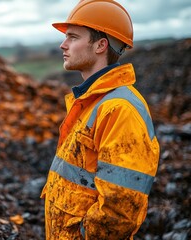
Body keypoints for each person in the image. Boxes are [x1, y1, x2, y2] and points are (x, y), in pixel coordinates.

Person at [40, 0, 160, 239]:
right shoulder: (92, 101)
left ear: (100, 45)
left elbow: (120, 209)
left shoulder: (119, 110)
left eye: (73, 37)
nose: (63, 45)